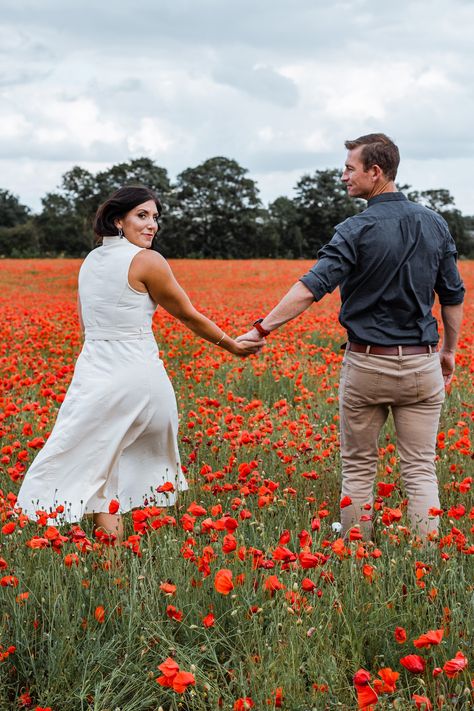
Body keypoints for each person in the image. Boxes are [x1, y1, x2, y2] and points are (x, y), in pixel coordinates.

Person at [238, 133, 465, 541]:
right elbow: (451, 297)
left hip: (367, 363)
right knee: (419, 467)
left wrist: (261, 328)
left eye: (348, 168)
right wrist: (448, 351)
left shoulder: (355, 228)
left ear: (374, 171)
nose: (342, 175)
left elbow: (312, 286)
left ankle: (355, 553)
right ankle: (425, 558)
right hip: (422, 362)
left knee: (359, 465)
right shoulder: (434, 223)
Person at [17, 186, 263, 541]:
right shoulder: (147, 260)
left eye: (155, 218)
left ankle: (106, 552)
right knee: (125, 467)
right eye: (142, 216)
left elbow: (87, 326)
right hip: (137, 376)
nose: (152, 226)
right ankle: (139, 551)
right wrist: (232, 346)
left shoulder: (90, 262)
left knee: (98, 463)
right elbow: (188, 315)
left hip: (93, 377)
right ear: (118, 220)